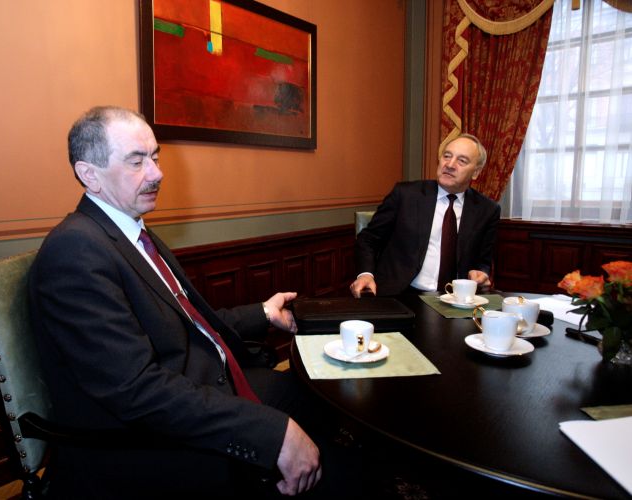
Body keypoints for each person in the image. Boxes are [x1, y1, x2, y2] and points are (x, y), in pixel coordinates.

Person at [29, 106, 358, 498]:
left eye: (155, 157)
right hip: (147, 442)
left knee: (320, 401)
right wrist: (272, 433)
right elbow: (137, 390)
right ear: (89, 174)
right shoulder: (74, 251)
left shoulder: (131, 233)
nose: (157, 173)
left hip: (208, 383)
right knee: (342, 477)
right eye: (136, 161)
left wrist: (262, 313)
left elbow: (190, 322)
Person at [350, 134, 500, 298]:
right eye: (447, 156)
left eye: (462, 161)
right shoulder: (405, 195)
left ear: (476, 172)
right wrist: (365, 274)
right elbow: (368, 239)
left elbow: (483, 261)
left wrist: (481, 273)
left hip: (457, 299)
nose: (450, 165)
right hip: (401, 295)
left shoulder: (487, 210)